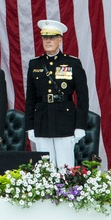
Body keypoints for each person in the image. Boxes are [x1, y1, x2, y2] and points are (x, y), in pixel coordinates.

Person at [25, 19, 89, 168]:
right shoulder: (35, 64)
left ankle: (66, 192)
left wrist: (80, 126)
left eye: (52, 37)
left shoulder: (72, 63)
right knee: (45, 167)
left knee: (65, 166)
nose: (48, 41)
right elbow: (30, 98)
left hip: (64, 120)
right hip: (42, 120)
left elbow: (83, 97)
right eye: (45, 37)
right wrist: (30, 126)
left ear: (59, 39)